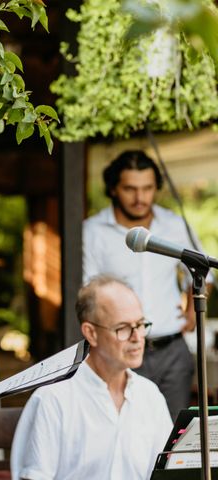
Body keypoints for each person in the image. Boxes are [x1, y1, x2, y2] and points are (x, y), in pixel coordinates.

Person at [82, 150, 211, 419]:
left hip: (172, 352)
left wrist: (190, 311)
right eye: (130, 188)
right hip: (118, 352)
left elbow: (203, 272)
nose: (140, 198)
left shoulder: (174, 225)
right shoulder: (92, 231)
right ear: (114, 189)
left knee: (174, 440)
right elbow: (88, 295)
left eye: (147, 188)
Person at [10, 276, 173, 480]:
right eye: (122, 328)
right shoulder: (53, 398)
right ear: (91, 333)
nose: (137, 337)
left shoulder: (150, 396)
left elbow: (168, 473)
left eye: (140, 324)